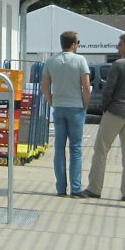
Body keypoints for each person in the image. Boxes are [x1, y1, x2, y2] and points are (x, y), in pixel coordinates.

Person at [78, 33, 125, 201]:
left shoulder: (118, 65)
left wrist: (105, 108)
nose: (117, 47)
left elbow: (109, 89)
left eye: (120, 44)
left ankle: (95, 188)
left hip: (115, 110)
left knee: (101, 149)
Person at [39, 30, 92, 196]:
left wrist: (51, 101)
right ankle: (75, 188)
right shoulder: (80, 60)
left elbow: (44, 85)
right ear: (74, 44)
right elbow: (86, 85)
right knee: (75, 148)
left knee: (59, 148)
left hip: (59, 106)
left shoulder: (51, 61)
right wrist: (85, 104)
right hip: (76, 106)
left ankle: (61, 188)